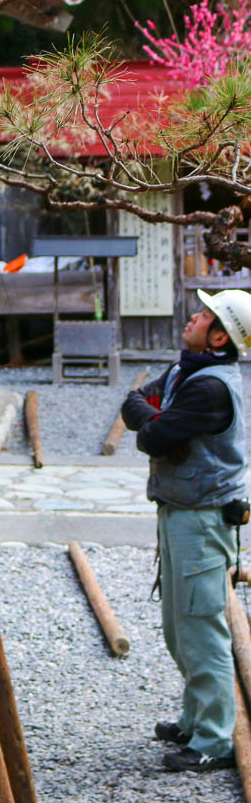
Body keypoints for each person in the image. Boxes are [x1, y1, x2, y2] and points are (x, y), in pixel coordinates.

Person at [122, 288, 251, 772]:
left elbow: (150, 432)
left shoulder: (209, 387)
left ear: (219, 335)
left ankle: (215, 740)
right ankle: (195, 720)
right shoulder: (186, 370)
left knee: (201, 630)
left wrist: (152, 422)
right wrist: (153, 420)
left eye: (203, 314)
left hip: (201, 517)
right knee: (180, 628)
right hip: (181, 510)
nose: (192, 316)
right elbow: (136, 404)